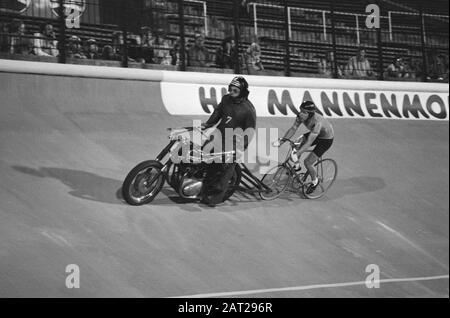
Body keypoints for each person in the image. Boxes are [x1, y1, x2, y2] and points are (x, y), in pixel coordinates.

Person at [201, 76, 257, 206]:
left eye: (235, 90)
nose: (231, 91)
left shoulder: (248, 109)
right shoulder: (226, 99)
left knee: (226, 168)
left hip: (233, 141)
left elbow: (250, 131)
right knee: (204, 157)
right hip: (218, 134)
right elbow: (218, 112)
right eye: (230, 88)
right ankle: (202, 187)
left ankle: (215, 197)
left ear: (242, 91)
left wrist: (240, 148)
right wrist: (208, 124)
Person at [274, 101, 334, 194]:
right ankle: (297, 166)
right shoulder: (300, 116)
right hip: (316, 134)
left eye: (304, 112)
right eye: (300, 110)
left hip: (326, 140)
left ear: (310, 114)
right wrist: (281, 141)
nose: (300, 113)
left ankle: (315, 181)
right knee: (296, 143)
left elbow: (309, 142)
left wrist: (297, 154)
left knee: (308, 162)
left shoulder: (317, 123)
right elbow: (293, 128)